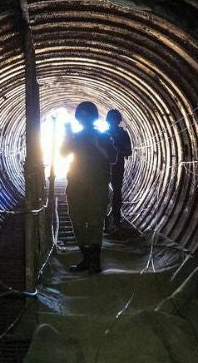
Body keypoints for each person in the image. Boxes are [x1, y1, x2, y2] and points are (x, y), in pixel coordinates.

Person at [61, 102, 116, 274]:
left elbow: (113, 158)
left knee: (95, 223)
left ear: (92, 117)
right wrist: (67, 136)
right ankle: (86, 259)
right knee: (77, 222)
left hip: (97, 186)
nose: (83, 119)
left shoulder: (103, 136)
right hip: (76, 185)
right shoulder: (75, 137)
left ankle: (95, 262)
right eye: (81, 116)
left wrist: (97, 145)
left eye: (86, 115)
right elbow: (63, 153)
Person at [106, 109, 132, 229]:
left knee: (116, 192)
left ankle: (116, 219)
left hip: (116, 167)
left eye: (114, 119)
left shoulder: (123, 134)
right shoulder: (104, 134)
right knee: (106, 193)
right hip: (105, 167)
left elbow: (129, 151)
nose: (112, 121)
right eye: (111, 119)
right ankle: (107, 220)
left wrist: (118, 151)